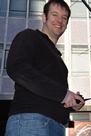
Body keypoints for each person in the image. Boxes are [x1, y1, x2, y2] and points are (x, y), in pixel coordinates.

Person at [5, 0, 85, 136]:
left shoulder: (60, 62)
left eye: (64, 17)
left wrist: (72, 102)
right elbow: (17, 68)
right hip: (31, 121)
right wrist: (64, 95)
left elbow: (53, 95)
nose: (59, 20)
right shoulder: (29, 36)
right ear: (44, 17)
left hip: (57, 126)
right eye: (55, 14)